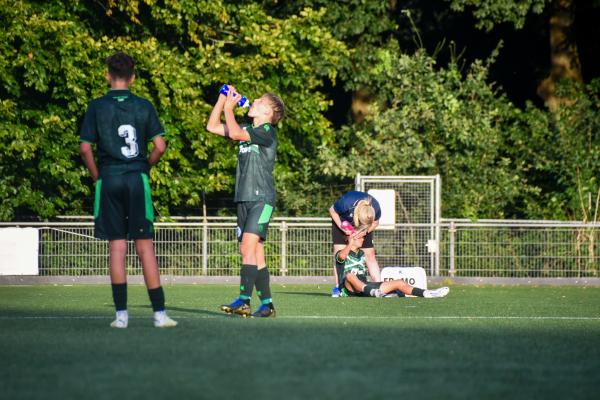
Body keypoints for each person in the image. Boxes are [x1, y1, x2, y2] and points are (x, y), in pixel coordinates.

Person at [79, 52, 177, 328]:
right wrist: (145, 167)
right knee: (145, 247)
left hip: (109, 178)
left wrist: (99, 176)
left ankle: (121, 316)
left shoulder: (96, 107)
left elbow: (85, 147)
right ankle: (159, 314)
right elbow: (159, 146)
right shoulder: (144, 106)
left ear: (107, 75)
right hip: (136, 178)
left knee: (117, 248)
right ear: (133, 77)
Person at [206, 85, 285, 318]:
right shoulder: (247, 128)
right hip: (243, 199)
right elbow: (211, 126)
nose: (254, 101)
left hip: (262, 199)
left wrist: (230, 108)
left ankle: (243, 301)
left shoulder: (267, 131)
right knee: (256, 252)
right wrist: (222, 98)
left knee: (246, 248)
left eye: (260, 101)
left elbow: (238, 134)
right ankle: (268, 305)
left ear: (269, 112)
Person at [337, 229, 449, 298]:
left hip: (365, 287)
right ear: (351, 239)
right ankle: (374, 292)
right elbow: (342, 257)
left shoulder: (361, 253)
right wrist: (350, 242)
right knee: (349, 276)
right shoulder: (340, 253)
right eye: (360, 237)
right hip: (349, 289)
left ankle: (428, 293)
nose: (363, 239)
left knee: (399, 283)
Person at [329, 191, 382, 297]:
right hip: (342, 222)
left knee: (370, 254)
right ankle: (339, 288)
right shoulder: (346, 203)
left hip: (364, 229)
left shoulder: (376, 208)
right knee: (339, 254)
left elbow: (376, 223)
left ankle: (379, 286)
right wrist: (342, 227)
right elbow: (332, 210)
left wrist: (365, 231)